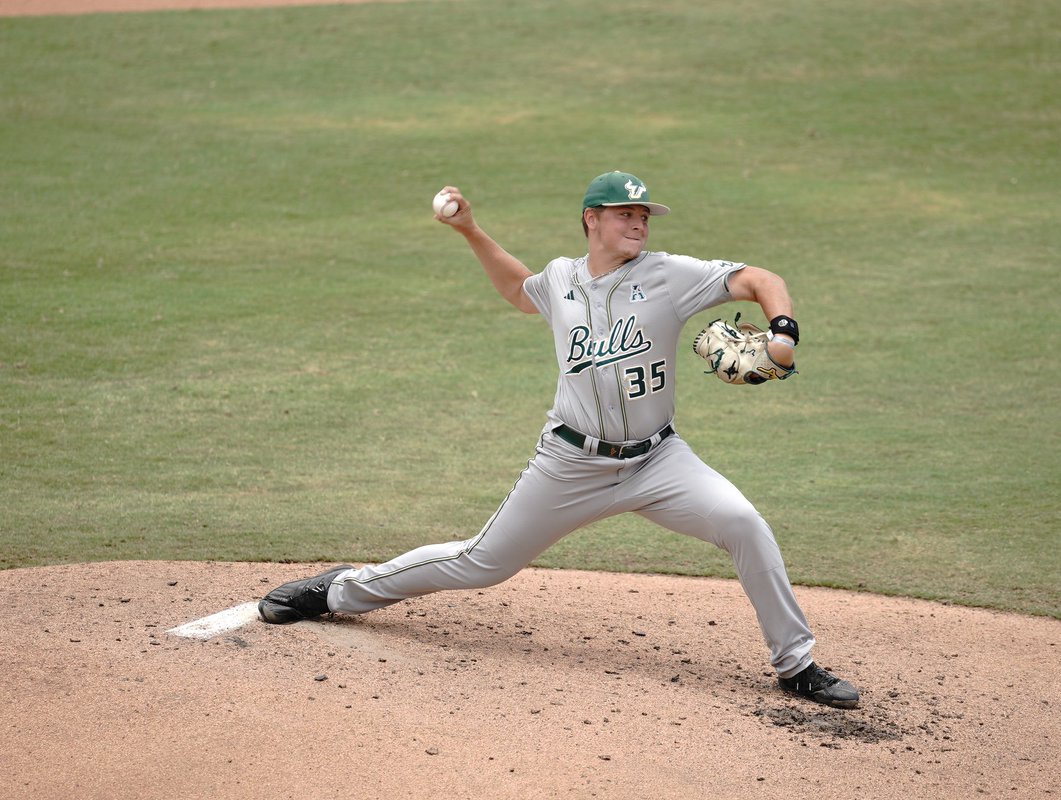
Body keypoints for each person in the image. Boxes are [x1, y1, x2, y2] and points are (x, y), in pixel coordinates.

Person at [258, 171, 860, 709]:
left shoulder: (671, 275)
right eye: (626, 215)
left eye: (644, 216)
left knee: (744, 523)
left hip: (658, 460)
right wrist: (471, 231)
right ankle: (338, 589)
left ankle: (796, 665)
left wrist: (784, 331)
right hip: (569, 463)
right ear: (591, 220)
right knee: (479, 564)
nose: (638, 224)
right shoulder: (562, 279)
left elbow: (761, 277)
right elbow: (521, 292)